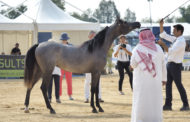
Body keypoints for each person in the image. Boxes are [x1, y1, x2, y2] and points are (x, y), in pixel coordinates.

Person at [130, 29, 167, 122]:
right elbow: (163, 64)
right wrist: (164, 79)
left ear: (141, 36)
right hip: (156, 80)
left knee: (141, 102)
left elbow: (133, 65)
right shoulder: (159, 48)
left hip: (141, 82)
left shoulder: (137, 49)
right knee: (155, 102)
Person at [159, 19, 189, 111]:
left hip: (175, 66)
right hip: (170, 64)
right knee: (168, 85)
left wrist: (163, 44)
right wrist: (161, 25)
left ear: (179, 31)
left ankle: (186, 104)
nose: (173, 31)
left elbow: (170, 51)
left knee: (179, 85)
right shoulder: (176, 39)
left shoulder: (181, 41)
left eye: (174, 30)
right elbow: (164, 35)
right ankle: (168, 105)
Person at [84, 30, 104, 103]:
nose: (94, 37)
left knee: (98, 81)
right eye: (92, 35)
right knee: (88, 82)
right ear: (89, 36)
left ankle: (99, 97)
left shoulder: (98, 45)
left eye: (94, 35)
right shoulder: (86, 44)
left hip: (96, 66)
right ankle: (86, 97)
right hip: (88, 65)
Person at [59, 33, 74, 100]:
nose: (64, 41)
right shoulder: (59, 46)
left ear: (67, 39)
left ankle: (70, 95)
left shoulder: (71, 46)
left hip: (69, 66)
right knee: (59, 81)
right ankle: (58, 95)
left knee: (69, 81)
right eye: (63, 40)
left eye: (65, 39)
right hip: (61, 66)